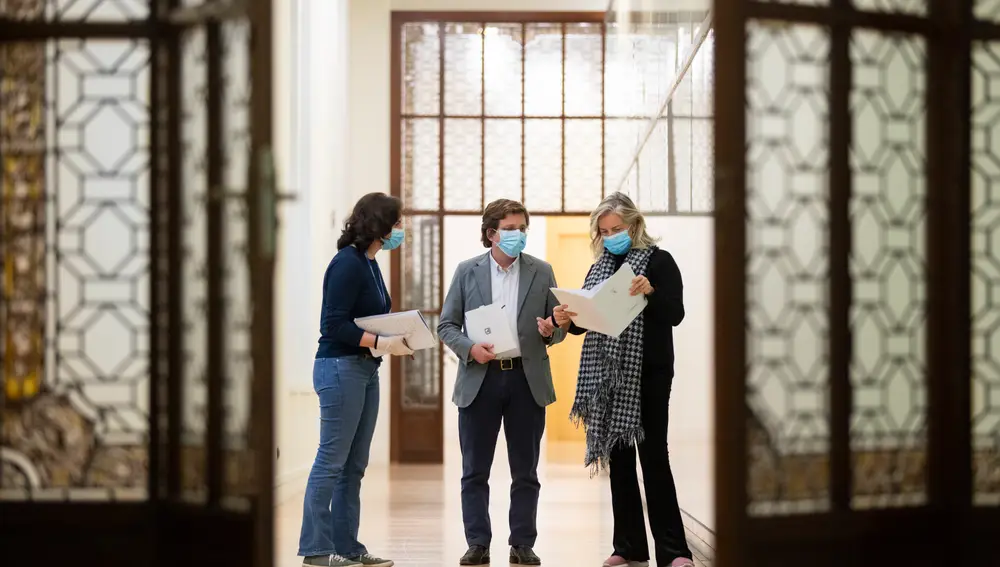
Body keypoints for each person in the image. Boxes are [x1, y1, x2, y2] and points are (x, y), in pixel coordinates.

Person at [552, 192, 694, 567]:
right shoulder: (598, 268)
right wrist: (568, 318)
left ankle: (675, 551)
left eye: (617, 228)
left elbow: (674, 314)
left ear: (634, 224)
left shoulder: (660, 263)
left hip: (649, 375)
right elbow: (588, 322)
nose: (612, 235)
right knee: (619, 459)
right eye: (605, 231)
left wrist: (650, 292)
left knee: (653, 458)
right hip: (607, 379)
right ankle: (628, 546)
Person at [437, 199, 566, 567]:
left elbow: (557, 328)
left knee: (525, 470)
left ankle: (522, 542)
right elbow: (447, 324)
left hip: (527, 381)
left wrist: (551, 330)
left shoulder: (542, 272)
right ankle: (477, 542)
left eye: (523, 228)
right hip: (481, 380)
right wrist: (469, 348)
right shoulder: (467, 272)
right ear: (491, 232)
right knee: (474, 469)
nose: (518, 234)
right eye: (510, 229)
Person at [297, 192, 413, 567]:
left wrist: (392, 338)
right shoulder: (346, 263)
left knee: (354, 464)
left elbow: (370, 316)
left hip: (365, 368)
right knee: (331, 460)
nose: (400, 230)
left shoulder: (369, 263)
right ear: (380, 225)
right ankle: (316, 550)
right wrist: (383, 341)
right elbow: (333, 325)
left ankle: (347, 548)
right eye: (397, 223)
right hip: (340, 367)